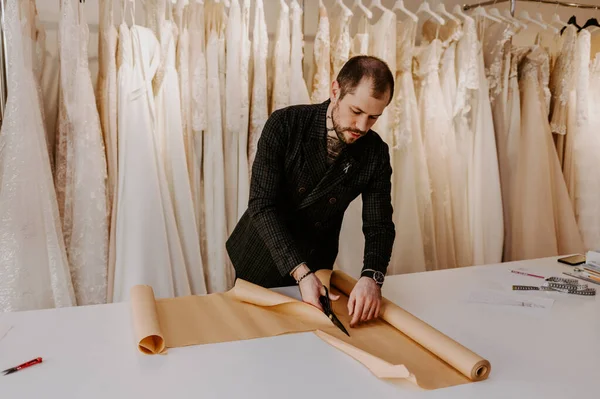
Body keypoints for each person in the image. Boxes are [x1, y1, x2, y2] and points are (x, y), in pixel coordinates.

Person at [226, 56, 395, 327]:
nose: (363, 126)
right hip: (263, 256)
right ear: (335, 90)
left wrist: (371, 277)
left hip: (319, 262)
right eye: (356, 111)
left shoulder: (376, 152)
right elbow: (262, 205)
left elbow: (379, 225)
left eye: (374, 117)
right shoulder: (285, 124)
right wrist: (300, 272)